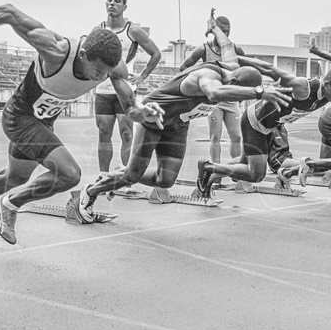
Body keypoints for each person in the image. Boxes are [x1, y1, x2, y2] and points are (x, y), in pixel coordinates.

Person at [0, 3, 164, 245]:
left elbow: (130, 109)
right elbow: (8, 12)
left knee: (15, 177)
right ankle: (10, 204)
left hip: (43, 123)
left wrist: (143, 112)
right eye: (97, 71)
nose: (101, 78)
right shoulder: (56, 51)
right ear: (83, 56)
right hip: (19, 117)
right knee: (69, 174)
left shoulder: (114, 67)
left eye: (107, 73)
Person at [76, 12, 291, 217]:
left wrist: (214, 28)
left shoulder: (232, 63)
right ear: (233, 82)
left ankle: (119, 174)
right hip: (154, 117)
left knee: (165, 180)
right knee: (132, 175)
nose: (237, 100)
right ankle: (91, 192)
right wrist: (260, 92)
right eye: (238, 96)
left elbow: (225, 44)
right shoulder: (207, 76)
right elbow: (214, 93)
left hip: (177, 125)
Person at [193, 43, 331, 197]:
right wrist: (236, 60)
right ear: (327, 84)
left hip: (272, 127)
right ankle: (208, 167)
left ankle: (205, 182)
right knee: (255, 174)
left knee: (241, 164)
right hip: (255, 124)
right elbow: (270, 69)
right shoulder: (303, 88)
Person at [92, 0, 161, 173]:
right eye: (109, 0)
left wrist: (142, 76)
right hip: (103, 90)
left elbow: (156, 53)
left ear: (124, 6)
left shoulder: (133, 30)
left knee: (127, 134)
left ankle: (126, 178)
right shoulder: (98, 30)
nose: (112, 3)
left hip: (125, 90)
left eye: (117, 1)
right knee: (103, 133)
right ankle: (103, 176)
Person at [178, 14, 244, 165]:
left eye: (228, 31)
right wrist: (198, 83)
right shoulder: (203, 49)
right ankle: (215, 171)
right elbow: (184, 67)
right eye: (223, 31)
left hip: (231, 99)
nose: (225, 34)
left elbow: (246, 71)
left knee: (237, 137)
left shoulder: (235, 49)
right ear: (215, 30)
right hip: (213, 101)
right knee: (215, 136)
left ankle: (236, 171)